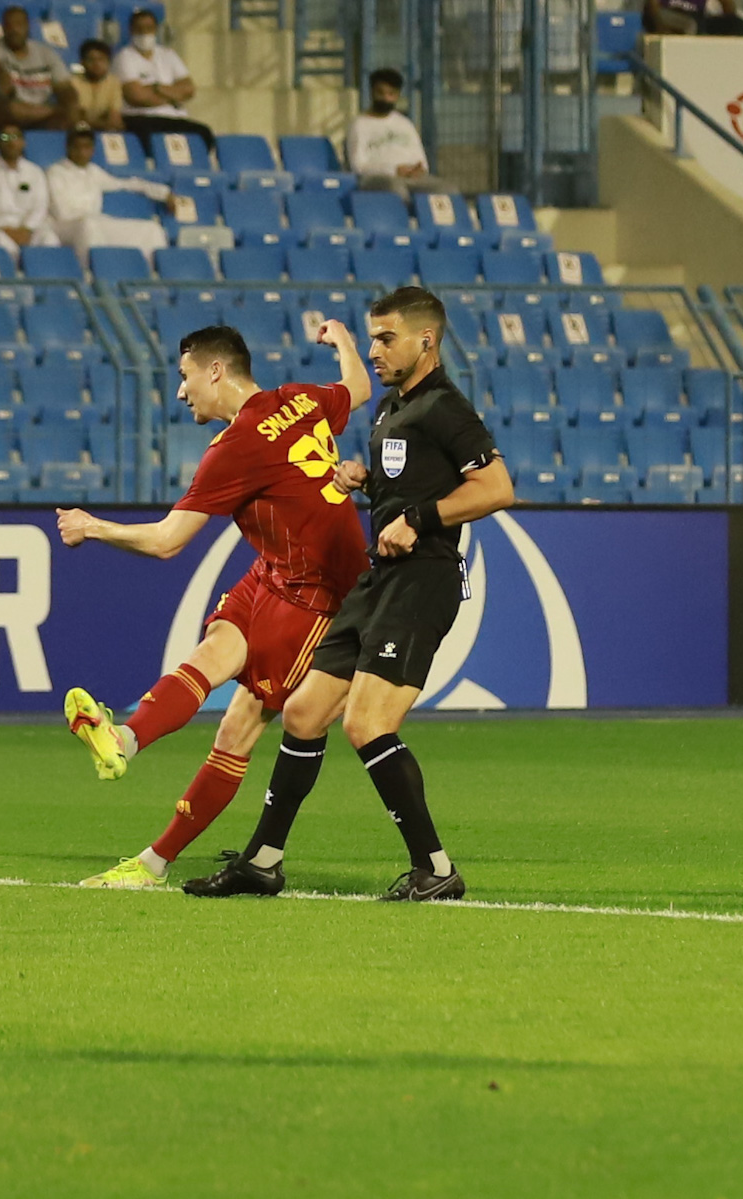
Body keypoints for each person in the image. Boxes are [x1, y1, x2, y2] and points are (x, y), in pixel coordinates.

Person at [186, 287, 515, 902]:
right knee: (306, 712)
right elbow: (408, 487)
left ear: (427, 340)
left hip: (422, 582)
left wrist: (417, 518)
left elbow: (496, 488)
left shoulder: (445, 407)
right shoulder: (392, 410)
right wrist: (364, 484)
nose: (375, 350)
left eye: (386, 338)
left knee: (367, 724)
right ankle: (262, 861)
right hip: (378, 582)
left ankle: (436, 870)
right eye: (371, 338)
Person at [58, 322, 373, 889]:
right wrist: (345, 339)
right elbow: (359, 385)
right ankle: (123, 740)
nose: (181, 392)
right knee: (211, 656)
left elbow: (167, 541)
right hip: (274, 572)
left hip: (315, 594)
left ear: (216, 370)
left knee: (240, 726)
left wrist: (93, 527)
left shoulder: (236, 446)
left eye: (184, 377)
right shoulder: (300, 397)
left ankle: (152, 858)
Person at [47, 125, 176, 259]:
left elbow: (126, 183)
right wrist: (90, 218)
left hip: (95, 223)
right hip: (64, 226)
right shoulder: (55, 172)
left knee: (151, 229)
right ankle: (92, 273)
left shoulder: (93, 171)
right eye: (77, 147)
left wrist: (163, 192)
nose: (82, 152)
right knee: (88, 226)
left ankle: (150, 275)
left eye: (87, 147)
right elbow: (61, 212)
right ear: (68, 148)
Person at [114, 8, 215, 154]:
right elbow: (137, 97)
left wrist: (155, 88)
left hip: (173, 118)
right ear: (131, 30)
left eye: (149, 28)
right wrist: (173, 96)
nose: (144, 33)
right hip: (141, 117)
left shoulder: (168, 55)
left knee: (204, 133)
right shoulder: (124, 57)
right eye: (139, 29)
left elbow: (188, 89)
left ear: (156, 29)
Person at [346, 68, 453, 201]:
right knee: (396, 190)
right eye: (381, 93)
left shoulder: (405, 124)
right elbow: (358, 166)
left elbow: (421, 159)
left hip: (411, 178)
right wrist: (393, 170)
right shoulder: (359, 125)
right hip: (378, 179)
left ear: (397, 96)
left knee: (446, 190)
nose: (386, 98)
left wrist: (418, 169)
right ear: (372, 92)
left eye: (391, 94)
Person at [0, 124, 59, 259]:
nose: (11, 142)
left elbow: (41, 206)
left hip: (28, 229)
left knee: (49, 239)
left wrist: (26, 228)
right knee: (0, 242)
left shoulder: (35, 172)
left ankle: (48, 277)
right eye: (5, 137)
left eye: (15, 137)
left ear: (23, 142)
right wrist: (5, 229)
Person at [0, 4, 76, 131]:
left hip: (43, 114)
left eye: (19, 24)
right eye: (9, 25)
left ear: (28, 26)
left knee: (71, 114)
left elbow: (64, 87)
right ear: (3, 28)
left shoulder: (46, 52)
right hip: (9, 115)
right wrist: (1, 76)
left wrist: (70, 104)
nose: (14, 29)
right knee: (9, 110)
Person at [71, 39, 124, 131]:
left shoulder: (114, 83)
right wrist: (102, 123)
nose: (97, 64)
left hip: (104, 131)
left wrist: (91, 123)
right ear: (82, 62)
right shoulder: (72, 82)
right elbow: (75, 119)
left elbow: (114, 119)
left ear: (108, 62)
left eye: (101, 59)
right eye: (91, 59)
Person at [644, 0, 743, 35]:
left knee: (737, 24)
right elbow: (652, 7)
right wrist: (661, 29)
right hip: (669, 13)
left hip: (697, 18)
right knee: (690, 24)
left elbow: (729, 9)